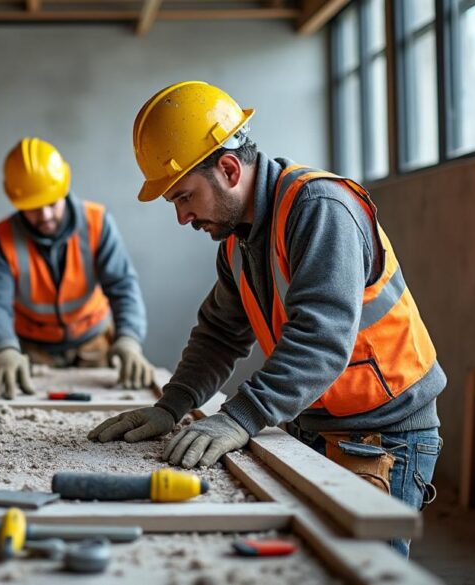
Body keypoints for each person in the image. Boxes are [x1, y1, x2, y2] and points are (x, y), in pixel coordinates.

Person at [89, 82, 444, 556]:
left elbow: (321, 340)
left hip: (385, 433)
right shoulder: (237, 238)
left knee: (361, 568)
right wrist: (170, 405)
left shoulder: (320, 209)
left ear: (230, 169)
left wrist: (239, 416)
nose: (182, 216)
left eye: (183, 197)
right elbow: (219, 335)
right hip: (314, 423)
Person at [0, 137, 153, 398]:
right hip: (35, 352)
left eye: (51, 203)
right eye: (33, 207)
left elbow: (123, 285)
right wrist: (3, 349)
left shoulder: (97, 222)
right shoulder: (2, 238)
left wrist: (129, 339)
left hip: (95, 343)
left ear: (64, 189)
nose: (44, 216)